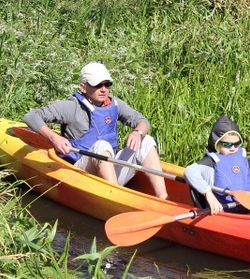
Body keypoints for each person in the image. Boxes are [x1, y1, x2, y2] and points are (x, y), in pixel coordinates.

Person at [23, 62, 169, 199]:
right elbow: (31, 116)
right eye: (98, 85)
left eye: (107, 84)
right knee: (101, 145)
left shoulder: (115, 104)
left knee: (146, 140)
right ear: (83, 87)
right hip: (80, 171)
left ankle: (163, 199)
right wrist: (54, 138)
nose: (104, 89)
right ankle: (115, 199)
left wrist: (138, 132)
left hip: (109, 168)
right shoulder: (72, 107)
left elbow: (143, 122)